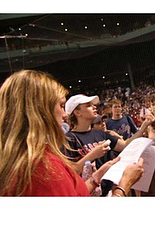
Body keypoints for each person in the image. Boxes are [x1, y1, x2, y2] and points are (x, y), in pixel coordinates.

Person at [0, 70, 144, 196]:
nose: (64, 115)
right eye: (61, 106)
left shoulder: (23, 159)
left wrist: (97, 176)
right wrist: (124, 186)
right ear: (40, 111)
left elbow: (76, 193)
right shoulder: (44, 168)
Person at [64, 94, 154, 194]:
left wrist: (144, 127)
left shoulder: (101, 134)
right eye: (88, 105)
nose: (94, 107)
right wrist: (92, 155)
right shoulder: (68, 139)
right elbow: (69, 172)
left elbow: (125, 145)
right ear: (77, 112)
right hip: (86, 193)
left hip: (108, 190)